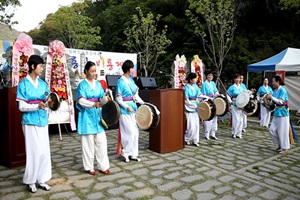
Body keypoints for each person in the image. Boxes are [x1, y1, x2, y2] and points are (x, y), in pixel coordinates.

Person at [16, 55, 52, 193]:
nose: (42, 69)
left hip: (42, 121)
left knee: (44, 151)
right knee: (34, 151)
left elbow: (49, 100)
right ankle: (30, 181)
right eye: (40, 66)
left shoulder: (43, 84)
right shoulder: (23, 84)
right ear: (32, 66)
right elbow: (21, 106)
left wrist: (51, 104)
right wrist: (37, 106)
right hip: (30, 122)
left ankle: (42, 179)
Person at [76, 61, 110, 176]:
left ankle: (103, 166)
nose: (94, 73)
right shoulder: (82, 85)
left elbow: (101, 98)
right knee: (88, 143)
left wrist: (106, 98)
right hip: (87, 115)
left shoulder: (98, 84)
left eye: (95, 71)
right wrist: (93, 104)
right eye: (92, 71)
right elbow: (80, 100)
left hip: (98, 115)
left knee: (101, 141)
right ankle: (89, 167)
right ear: (86, 71)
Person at [115, 60, 145, 162]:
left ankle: (133, 154)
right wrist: (126, 106)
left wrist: (143, 103)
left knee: (136, 132)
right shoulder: (120, 82)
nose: (133, 70)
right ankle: (125, 152)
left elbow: (136, 96)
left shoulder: (132, 81)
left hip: (133, 109)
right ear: (128, 69)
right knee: (129, 132)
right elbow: (118, 99)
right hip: (125, 111)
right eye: (132, 68)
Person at [266, 75, 290, 154]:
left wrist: (272, 97)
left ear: (278, 82)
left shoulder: (282, 90)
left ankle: (285, 148)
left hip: (283, 112)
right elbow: (273, 102)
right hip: (277, 112)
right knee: (272, 130)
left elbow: (281, 102)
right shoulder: (274, 91)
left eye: (273, 81)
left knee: (282, 131)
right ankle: (280, 144)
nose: (272, 83)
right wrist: (268, 99)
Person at [184, 72, 209, 146]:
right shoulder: (186, 88)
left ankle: (195, 140)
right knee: (190, 126)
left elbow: (199, 95)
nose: (196, 80)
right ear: (191, 80)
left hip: (196, 107)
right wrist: (192, 105)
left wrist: (205, 97)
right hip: (190, 108)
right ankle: (187, 139)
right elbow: (186, 100)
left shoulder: (195, 86)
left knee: (196, 125)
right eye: (195, 78)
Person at [201, 71, 219, 140]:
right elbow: (203, 94)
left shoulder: (213, 83)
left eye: (211, 75)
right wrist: (208, 98)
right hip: (208, 101)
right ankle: (207, 133)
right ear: (206, 76)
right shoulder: (204, 84)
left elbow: (215, 91)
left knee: (215, 117)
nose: (210, 76)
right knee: (209, 117)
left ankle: (213, 133)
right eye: (209, 75)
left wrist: (217, 94)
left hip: (214, 100)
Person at [227, 73, 245, 138]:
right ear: (234, 79)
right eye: (236, 78)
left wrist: (251, 92)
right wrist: (230, 101)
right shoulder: (232, 87)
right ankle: (234, 132)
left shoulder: (242, 87)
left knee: (241, 119)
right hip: (234, 104)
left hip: (241, 104)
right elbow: (228, 95)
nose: (238, 79)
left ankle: (239, 133)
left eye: (239, 78)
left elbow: (246, 93)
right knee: (236, 119)